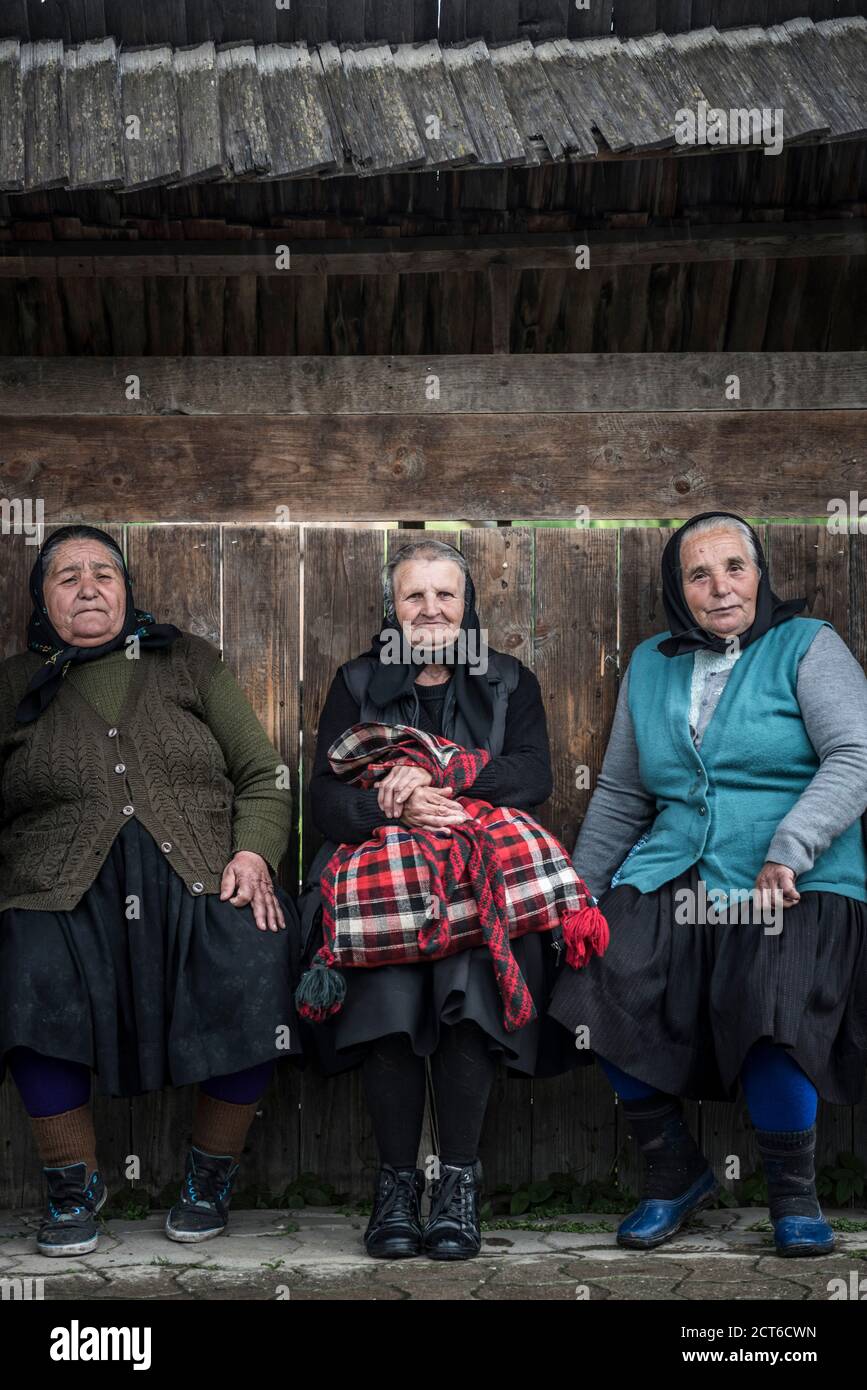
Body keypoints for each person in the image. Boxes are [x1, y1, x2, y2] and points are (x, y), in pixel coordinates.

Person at [549, 511, 867, 1257]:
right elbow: (624, 794)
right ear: (677, 588)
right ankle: (673, 1173)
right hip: (674, 867)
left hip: (798, 873)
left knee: (770, 996)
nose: (720, 587)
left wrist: (789, 848)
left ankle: (793, 1198)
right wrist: (579, 896)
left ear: (760, 574)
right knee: (595, 971)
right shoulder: (652, 663)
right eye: (699, 574)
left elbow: (853, 755)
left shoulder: (807, 646)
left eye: (734, 567)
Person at [0, 525, 301, 1257]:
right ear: (43, 601)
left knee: (251, 960)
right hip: (53, 887)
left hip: (197, 872)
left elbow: (264, 774)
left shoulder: (187, 662)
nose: (88, 585)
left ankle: (208, 1177)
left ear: (127, 590)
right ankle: (73, 1189)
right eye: (66, 576)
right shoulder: (12, 684)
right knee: (28, 977)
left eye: (104, 571)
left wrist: (253, 854)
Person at [302, 538, 582, 1260]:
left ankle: (456, 1185)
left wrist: (436, 782)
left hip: (477, 877)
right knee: (389, 992)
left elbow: (531, 776)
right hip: (379, 881)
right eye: (413, 596)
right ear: (392, 609)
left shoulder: (508, 680)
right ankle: (396, 1187)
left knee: (469, 984)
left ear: (466, 605)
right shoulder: (357, 682)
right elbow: (325, 799)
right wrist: (386, 811)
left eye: (444, 595)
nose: (430, 609)